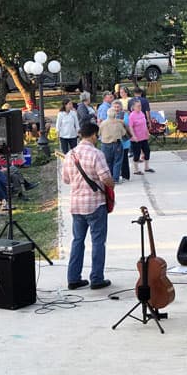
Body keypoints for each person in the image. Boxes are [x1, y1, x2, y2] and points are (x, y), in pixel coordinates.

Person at [62, 123, 114, 290]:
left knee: (78, 241)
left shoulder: (70, 154)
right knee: (98, 242)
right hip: (95, 204)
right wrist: (112, 185)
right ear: (93, 135)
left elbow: (66, 179)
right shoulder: (96, 154)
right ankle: (97, 278)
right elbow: (105, 177)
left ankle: (73, 278)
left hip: (76, 204)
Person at [98, 106, 130, 183]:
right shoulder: (118, 123)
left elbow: (99, 133)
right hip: (117, 144)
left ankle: (110, 177)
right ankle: (115, 179)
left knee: (108, 162)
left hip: (105, 144)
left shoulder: (103, 123)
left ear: (107, 114)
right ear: (115, 114)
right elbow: (123, 133)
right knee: (117, 161)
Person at [129, 99, 154, 175]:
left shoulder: (142, 113)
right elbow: (130, 127)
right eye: (138, 106)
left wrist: (147, 132)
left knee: (147, 151)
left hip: (143, 137)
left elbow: (144, 124)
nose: (140, 107)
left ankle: (146, 167)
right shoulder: (132, 115)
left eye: (140, 106)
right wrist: (133, 136)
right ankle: (136, 170)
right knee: (136, 154)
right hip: (136, 138)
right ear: (133, 107)